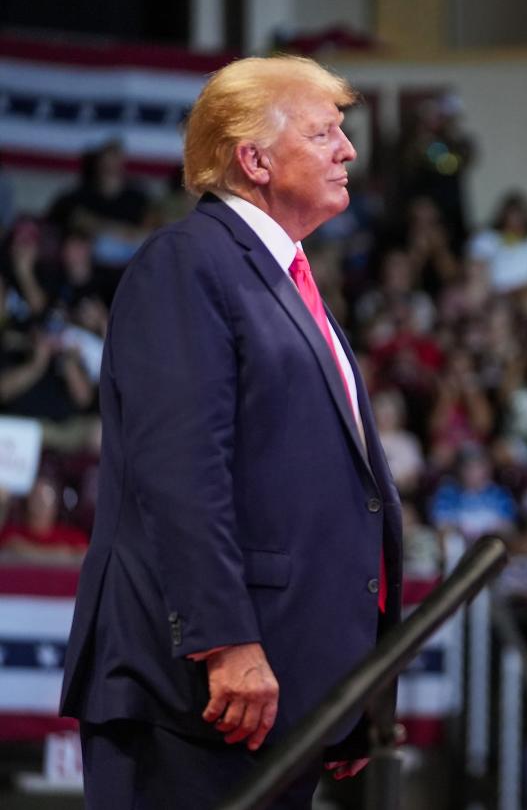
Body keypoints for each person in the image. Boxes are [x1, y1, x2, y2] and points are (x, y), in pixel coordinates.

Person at [59, 56, 404, 808]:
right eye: (324, 133)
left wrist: (352, 681)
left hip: (277, 693)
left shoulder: (284, 278)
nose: (348, 150)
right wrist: (226, 641)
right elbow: (182, 469)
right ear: (253, 159)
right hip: (196, 690)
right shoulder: (189, 263)